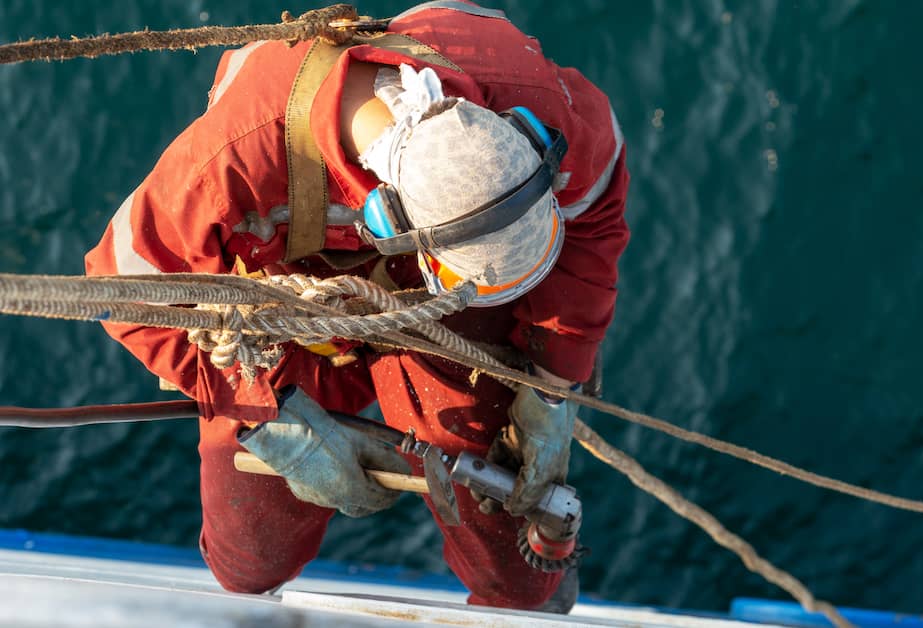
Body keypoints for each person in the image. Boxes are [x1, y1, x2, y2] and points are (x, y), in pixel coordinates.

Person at [83, 0, 628, 612]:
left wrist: (554, 382)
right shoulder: (234, 154)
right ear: (388, 220)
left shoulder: (543, 105)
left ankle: (529, 596)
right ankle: (250, 591)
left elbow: (595, 210)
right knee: (250, 556)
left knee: (515, 564)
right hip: (280, 320)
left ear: (530, 139)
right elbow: (124, 285)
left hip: (440, 304)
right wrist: (272, 419)